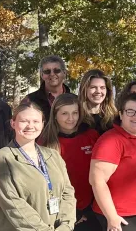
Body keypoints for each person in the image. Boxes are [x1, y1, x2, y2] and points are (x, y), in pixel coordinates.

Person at [0, 103, 76, 231]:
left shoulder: (53, 155)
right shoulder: (3, 159)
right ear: (13, 123)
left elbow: (67, 192)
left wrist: (66, 225)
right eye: (24, 121)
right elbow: (13, 204)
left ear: (42, 124)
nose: (30, 126)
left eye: (35, 121)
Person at [90, 93, 136, 231]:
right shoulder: (111, 141)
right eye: (130, 111)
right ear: (121, 114)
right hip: (125, 217)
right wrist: (112, 217)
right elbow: (97, 181)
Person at [39, 94, 101, 231]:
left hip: (91, 207)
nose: (71, 118)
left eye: (75, 113)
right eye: (65, 113)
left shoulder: (91, 135)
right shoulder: (45, 141)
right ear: (55, 115)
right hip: (62, 210)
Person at [23, 55, 73, 123]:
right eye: (47, 71)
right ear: (42, 75)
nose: (52, 74)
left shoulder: (76, 100)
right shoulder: (30, 100)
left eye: (57, 70)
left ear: (64, 73)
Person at [78, 69, 118, 134]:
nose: (98, 91)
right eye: (93, 87)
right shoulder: (76, 117)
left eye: (102, 87)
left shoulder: (115, 118)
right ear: (84, 90)